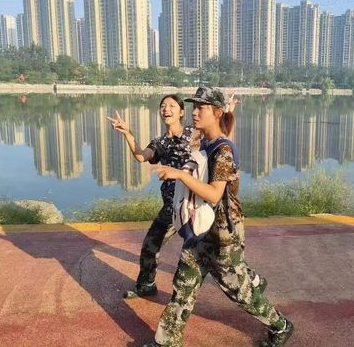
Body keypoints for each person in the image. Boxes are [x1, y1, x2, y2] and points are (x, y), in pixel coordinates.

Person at [146, 86, 294, 347]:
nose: (194, 112)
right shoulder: (207, 142)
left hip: (223, 233)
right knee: (184, 285)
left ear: (215, 113)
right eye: (194, 107)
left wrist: (179, 174)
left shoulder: (222, 149)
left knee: (239, 291)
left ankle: (281, 325)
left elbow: (215, 194)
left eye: (201, 108)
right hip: (201, 229)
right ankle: (166, 342)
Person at [107, 95, 267, 299]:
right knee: (150, 246)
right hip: (172, 207)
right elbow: (141, 156)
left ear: (182, 112)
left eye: (172, 106)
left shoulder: (195, 133)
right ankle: (146, 284)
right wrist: (127, 133)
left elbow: (222, 140)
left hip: (196, 205)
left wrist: (227, 112)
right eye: (163, 106)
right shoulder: (160, 143)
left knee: (221, 254)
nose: (166, 109)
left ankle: (253, 280)